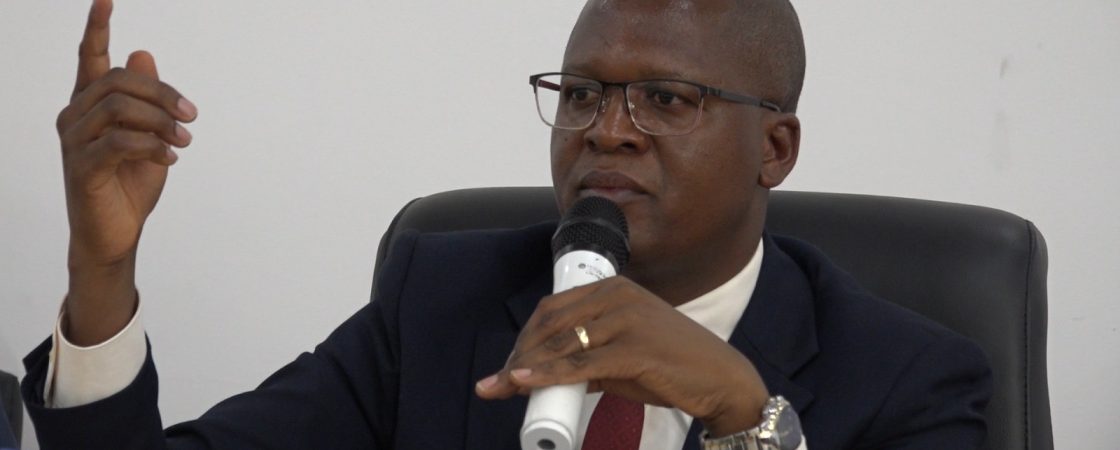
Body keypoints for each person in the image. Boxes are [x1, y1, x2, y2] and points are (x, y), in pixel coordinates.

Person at [22, 0, 993, 449]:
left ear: (773, 149)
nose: (608, 130)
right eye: (582, 93)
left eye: (665, 99)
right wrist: (102, 267)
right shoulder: (441, 301)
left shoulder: (908, 376)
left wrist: (746, 417)